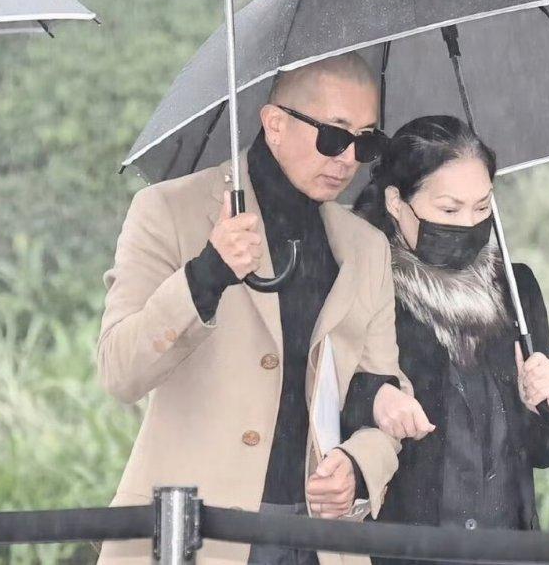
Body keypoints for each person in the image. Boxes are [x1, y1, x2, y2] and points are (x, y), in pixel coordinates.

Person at [96, 53, 431, 565]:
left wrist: (358, 467)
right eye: (333, 136)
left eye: (366, 142)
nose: (348, 159)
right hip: (193, 532)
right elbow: (120, 371)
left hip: (321, 543)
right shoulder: (169, 210)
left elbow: (382, 388)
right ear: (274, 124)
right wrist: (206, 274)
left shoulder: (365, 247)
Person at [348, 116, 549, 564]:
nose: (470, 223)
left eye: (482, 206)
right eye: (449, 210)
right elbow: (331, 409)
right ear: (396, 202)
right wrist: (375, 399)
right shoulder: (369, 294)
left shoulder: (515, 291)